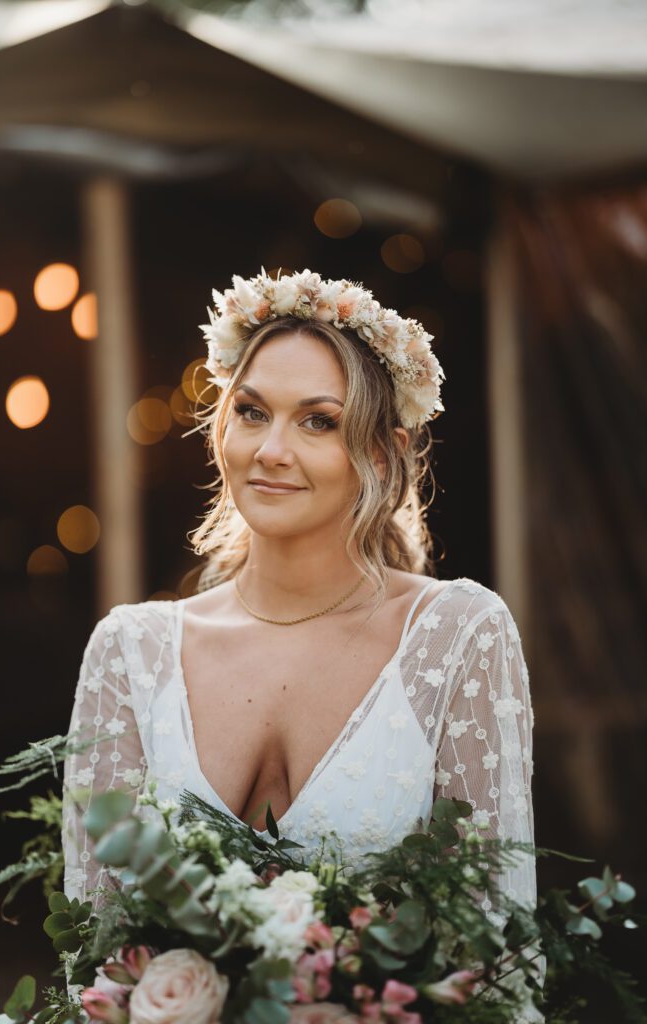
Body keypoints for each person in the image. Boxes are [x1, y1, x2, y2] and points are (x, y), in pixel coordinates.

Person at [62, 270, 539, 1002]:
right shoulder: (131, 652)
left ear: (382, 454)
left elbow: (496, 954)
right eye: (251, 412)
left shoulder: (454, 636)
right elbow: (93, 959)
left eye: (317, 421)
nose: (270, 450)